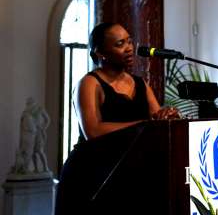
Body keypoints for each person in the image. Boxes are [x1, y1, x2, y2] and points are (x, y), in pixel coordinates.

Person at [55, 22, 179, 214]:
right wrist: (145, 123)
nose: (129, 48)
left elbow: (156, 122)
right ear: (100, 53)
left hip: (128, 173)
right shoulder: (89, 83)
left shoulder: (140, 83)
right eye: (120, 44)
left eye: (129, 41)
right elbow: (93, 131)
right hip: (91, 175)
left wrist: (167, 116)